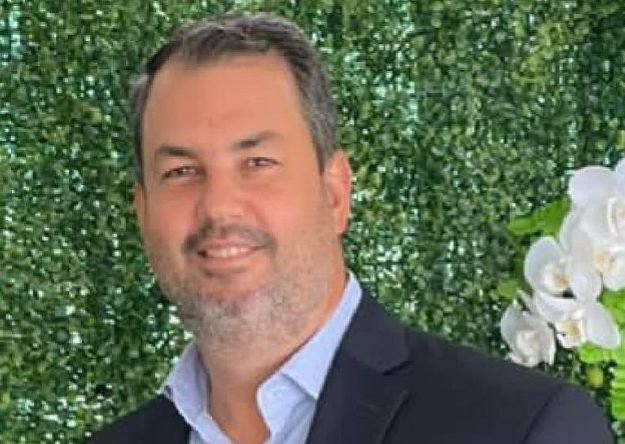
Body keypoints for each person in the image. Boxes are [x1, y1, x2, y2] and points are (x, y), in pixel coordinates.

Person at [89, 13, 612, 444]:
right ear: (143, 212)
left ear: (335, 192)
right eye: (181, 172)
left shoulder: (522, 428)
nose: (219, 205)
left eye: (258, 162)